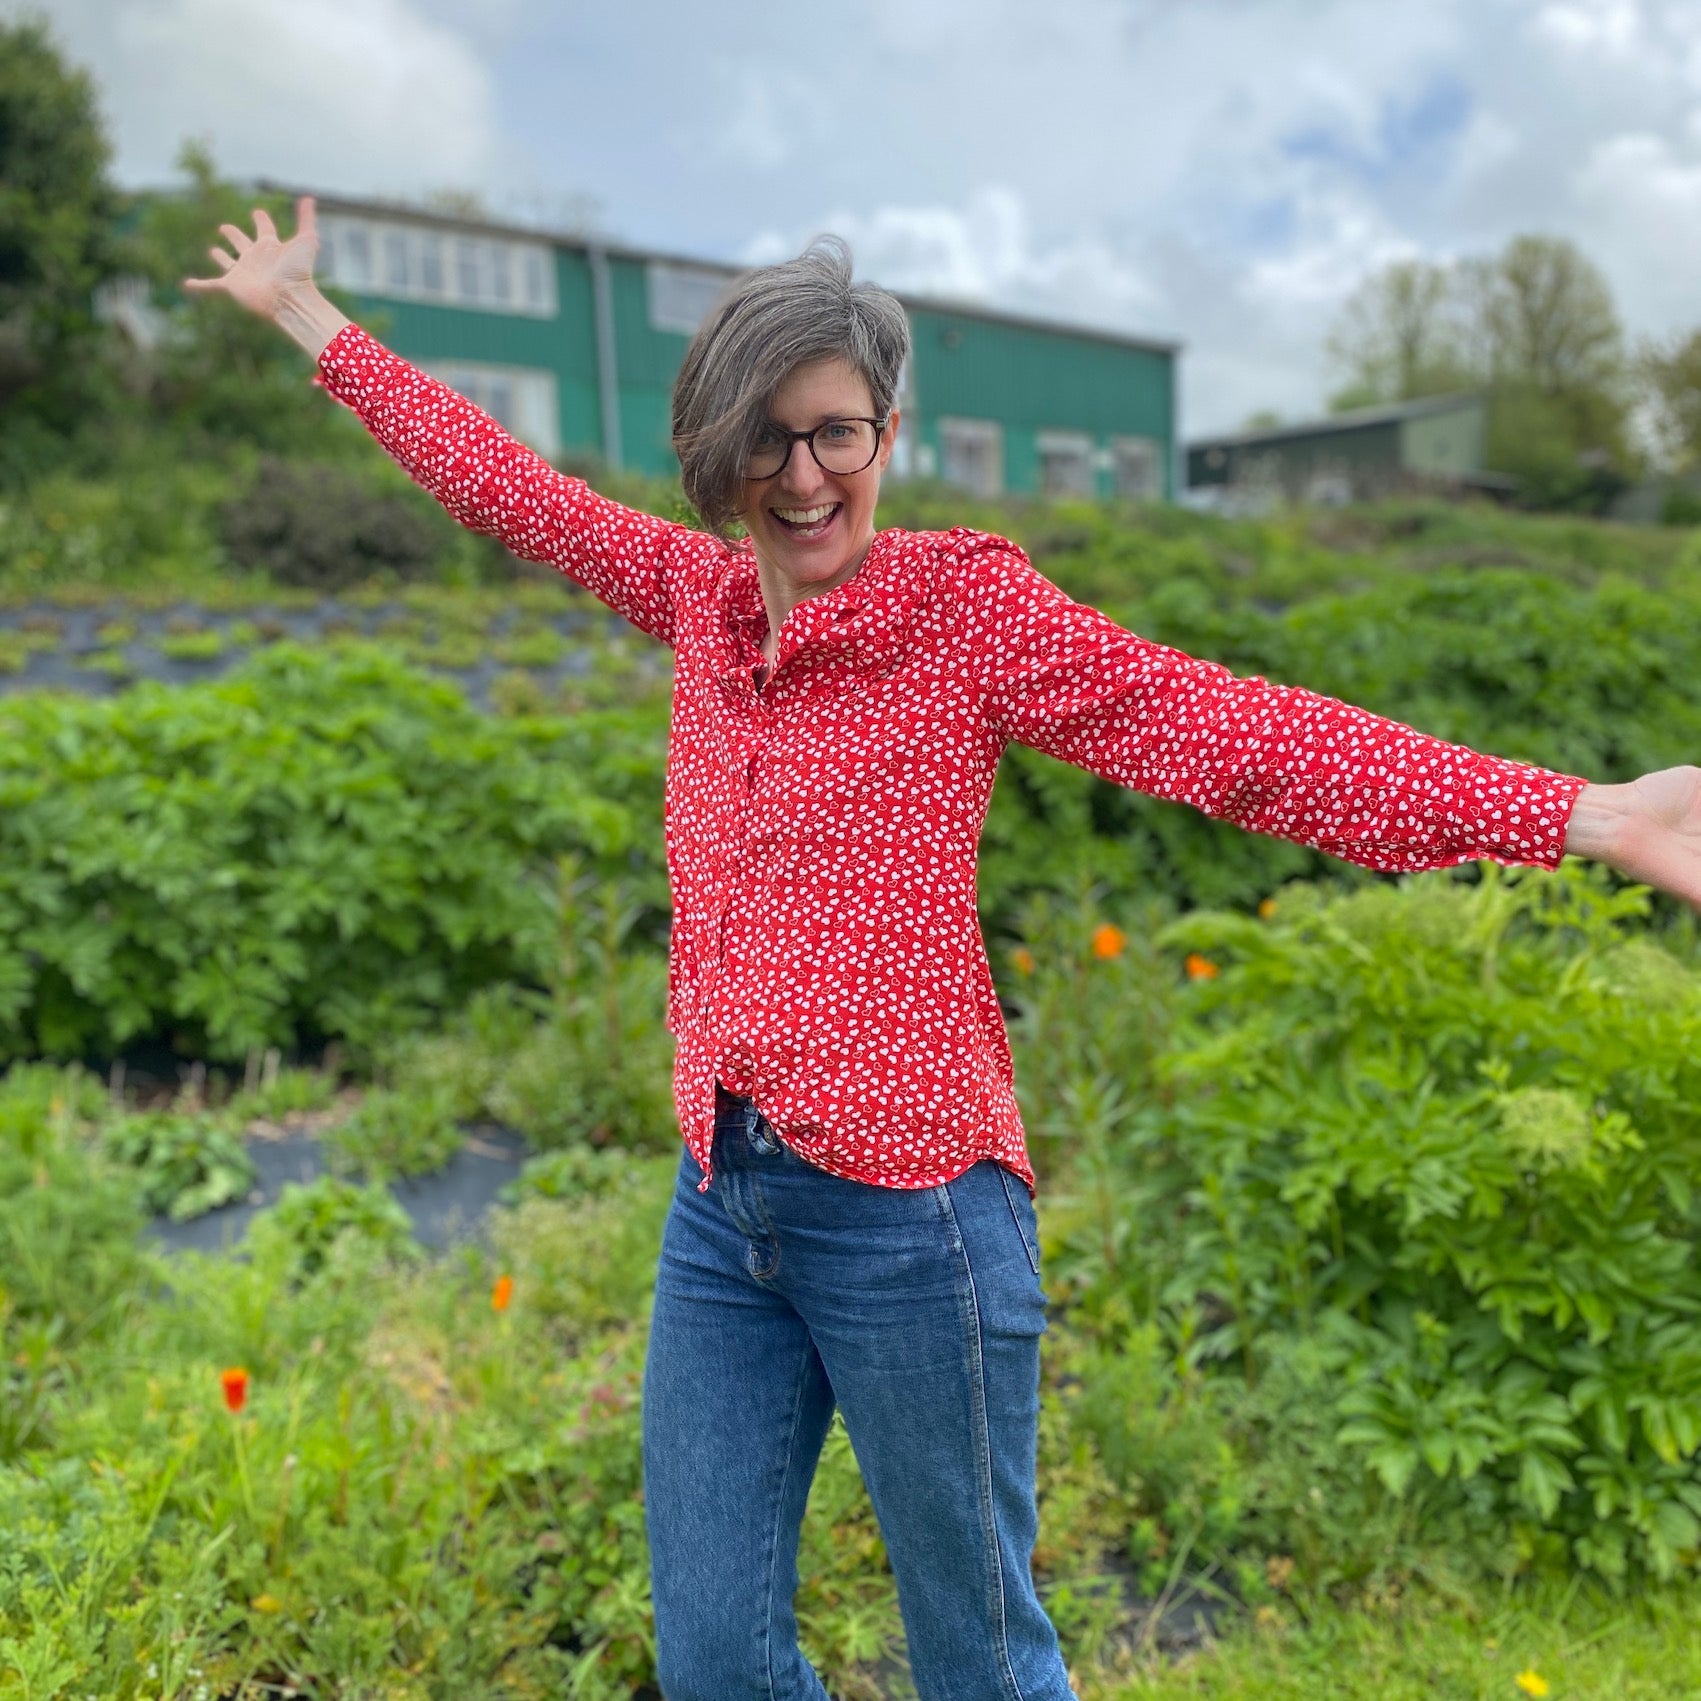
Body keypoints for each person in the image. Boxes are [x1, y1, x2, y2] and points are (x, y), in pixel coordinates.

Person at [190, 199, 1700, 1701]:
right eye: (766, 440)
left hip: (912, 1222)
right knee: (714, 1659)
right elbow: (504, 483)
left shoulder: (963, 611)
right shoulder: (697, 602)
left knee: (978, 1659)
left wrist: (1581, 812)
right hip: (721, 1202)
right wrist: (309, 319)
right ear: (717, 452)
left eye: (836, 432)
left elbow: (1241, 738)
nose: (803, 475)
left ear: (886, 433)